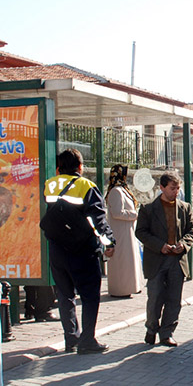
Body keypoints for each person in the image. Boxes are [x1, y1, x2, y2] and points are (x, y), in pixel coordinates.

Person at [43, 148, 115, 354]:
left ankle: (71, 339)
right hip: (82, 249)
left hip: (57, 248)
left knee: (65, 295)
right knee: (90, 295)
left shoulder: (50, 184)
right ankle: (87, 340)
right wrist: (109, 242)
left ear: (59, 167)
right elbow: (98, 219)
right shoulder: (87, 185)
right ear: (80, 167)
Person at [135, 171, 193, 347]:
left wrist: (184, 245)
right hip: (156, 260)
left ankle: (167, 332)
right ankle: (151, 328)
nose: (176, 192)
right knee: (155, 297)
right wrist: (159, 245)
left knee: (173, 299)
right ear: (162, 188)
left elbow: (192, 231)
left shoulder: (184, 208)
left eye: (178, 188)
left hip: (177, 261)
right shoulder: (148, 209)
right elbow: (140, 232)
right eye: (172, 188)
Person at [104, 164, 143, 298]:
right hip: (120, 232)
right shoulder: (115, 191)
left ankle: (131, 286)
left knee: (130, 260)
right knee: (123, 262)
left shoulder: (122, 190)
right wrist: (135, 214)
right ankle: (120, 289)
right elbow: (117, 212)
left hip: (128, 231)